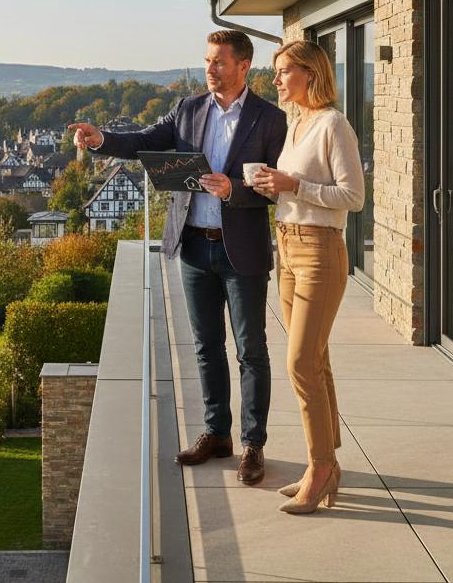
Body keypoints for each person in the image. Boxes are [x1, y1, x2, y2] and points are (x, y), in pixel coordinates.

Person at [69, 30, 287, 484]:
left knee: (251, 352)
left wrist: (237, 190)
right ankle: (216, 433)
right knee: (206, 348)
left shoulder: (269, 119)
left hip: (241, 251)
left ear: (244, 66)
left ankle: (253, 445)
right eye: (207, 60)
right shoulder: (188, 110)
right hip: (193, 246)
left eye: (219, 62)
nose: (209, 69)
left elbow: (278, 188)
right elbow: (144, 140)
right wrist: (99, 140)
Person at [252, 40, 364, 514]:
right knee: (315, 361)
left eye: (283, 71)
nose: (275, 79)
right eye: (275, 72)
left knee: (300, 363)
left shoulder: (333, 125)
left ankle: (319, 469)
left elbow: (353, 197)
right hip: (288, 249)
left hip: (320, 251)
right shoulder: (296, 125)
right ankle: (325, 465)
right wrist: (269, 187)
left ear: (309, 74)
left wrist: (293, 184)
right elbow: (294, 191)